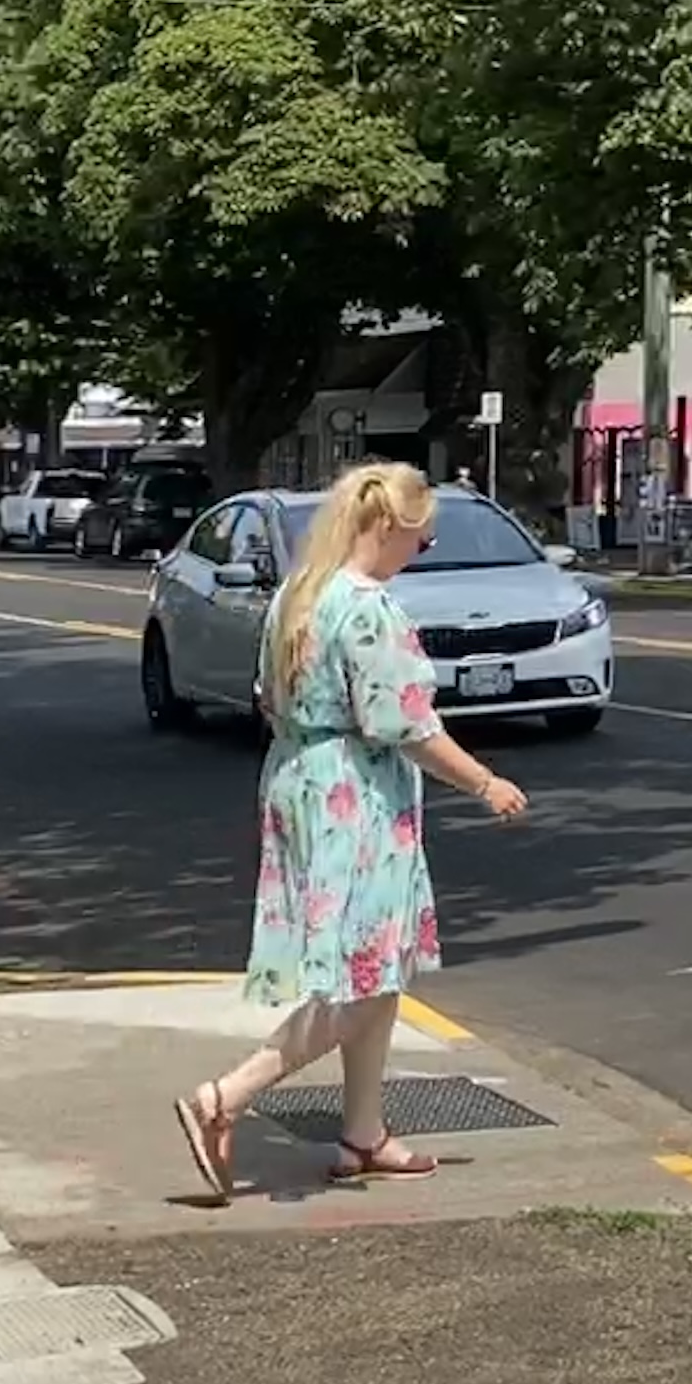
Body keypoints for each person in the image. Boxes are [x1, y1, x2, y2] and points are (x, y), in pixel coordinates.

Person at [173, 463, 527, 1201]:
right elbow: (403, 722)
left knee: (376, 967)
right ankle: (227, 1096)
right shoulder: (369, 608)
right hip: (355, 795)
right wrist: (484, 782)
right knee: (360, 979)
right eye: (421, 541)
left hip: (300, 778)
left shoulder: (297, 599)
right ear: (390, 528)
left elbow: (267, 699)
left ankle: (363, 1131)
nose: (418, 554)